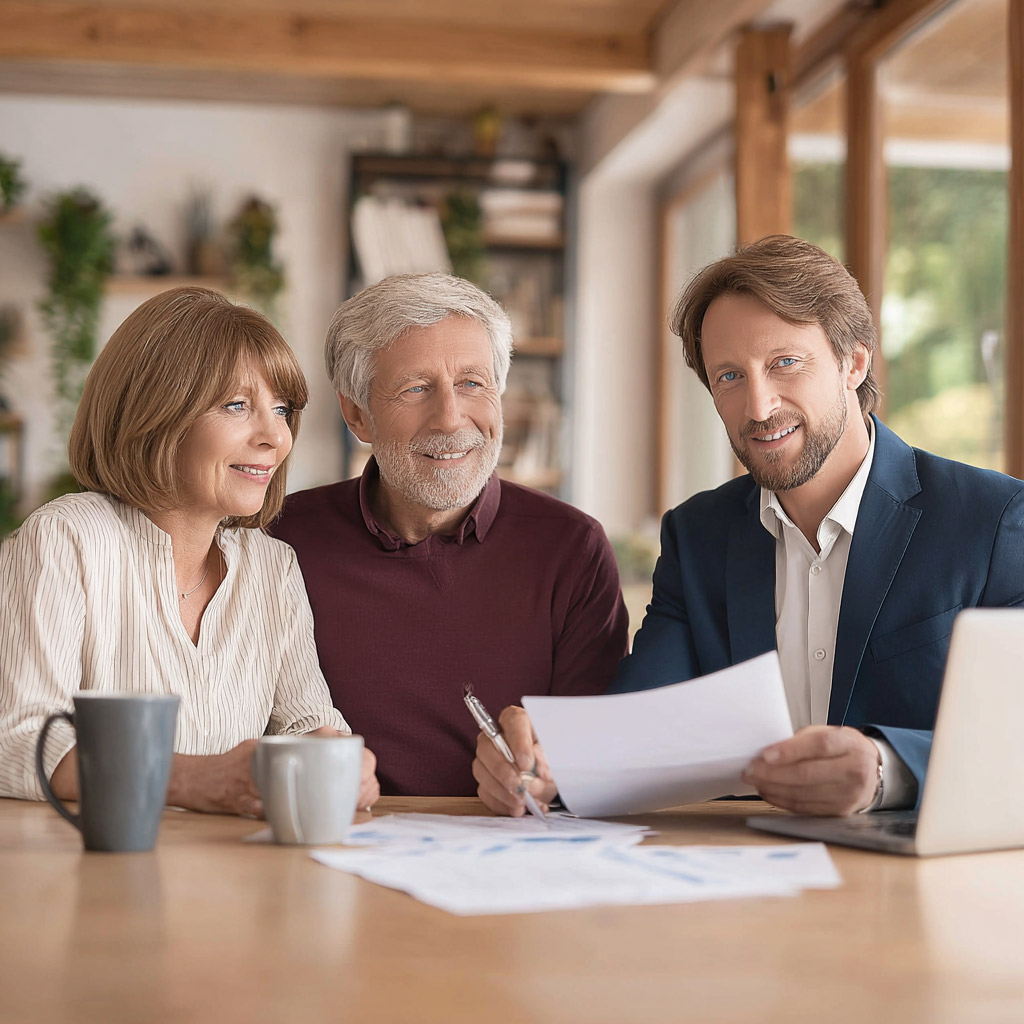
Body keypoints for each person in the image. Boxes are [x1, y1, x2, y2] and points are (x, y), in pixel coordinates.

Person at [473, 235, 1024, 818]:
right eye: (730, 376)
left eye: (785, 364)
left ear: (853, 362)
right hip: (751, 878)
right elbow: (641, 724)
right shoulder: (697, 537)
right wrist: (550, 763)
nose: (759, 408)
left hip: (925, 886)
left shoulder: (992, 520)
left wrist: (889, 770)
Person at [0, 287, 380, 817]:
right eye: (237, 405)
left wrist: (339, 758)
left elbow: (306, 720)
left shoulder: (272, 567)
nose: (275, 436)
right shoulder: (66, 540)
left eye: (282, 408)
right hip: (92, 885)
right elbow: (17, 741)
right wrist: (188, 779)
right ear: (157, 412)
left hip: (236, 885)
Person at [269, 272, 629, 796]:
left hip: (509, 857)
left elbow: (600, 756)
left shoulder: (571, 550)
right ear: (356, 414)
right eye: (416, 388)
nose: (451, 417)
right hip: (334, 849)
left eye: (472, 383)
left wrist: (549, 775)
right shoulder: (280, 541)